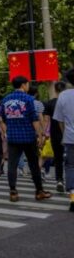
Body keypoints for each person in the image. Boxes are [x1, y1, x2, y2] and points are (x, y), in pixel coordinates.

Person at [0, 76, 51, 202]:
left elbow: (3, 119)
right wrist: (40, 136)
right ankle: (39, 191)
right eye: (27, 84)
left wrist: (8, 131)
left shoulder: (5, 100)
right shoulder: (29, 99)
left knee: (12, 165)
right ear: (23, 85)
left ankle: (13, 192)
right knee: (34, 165)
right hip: (28, 137)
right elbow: (34, 119)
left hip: (13, 138)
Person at [52, 69, 74, 212]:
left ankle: (73, 198)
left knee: (71, 167)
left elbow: (59, 120)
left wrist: (64, 134)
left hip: (70, 138)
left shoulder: (63, 96)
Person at [45, 82, 67, 193]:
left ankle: (59, 180)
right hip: (69, 134)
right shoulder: (69, 102)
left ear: (55, 90)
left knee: (58, 158)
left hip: (55, 134)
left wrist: (44, 133)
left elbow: (46, 120)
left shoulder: (50, 103)